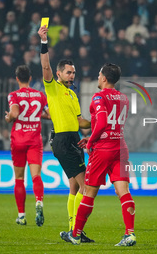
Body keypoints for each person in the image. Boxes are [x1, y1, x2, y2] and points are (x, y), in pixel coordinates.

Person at [60, 63, 136, 246]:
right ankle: (130, 234)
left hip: (102, 149)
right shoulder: (124, 98)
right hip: (120, 147)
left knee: (89, 192)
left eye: (99, 74)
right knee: (123, 192)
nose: (97, 77)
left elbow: (101, 123)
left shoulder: (98, 98)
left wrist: (91, 141)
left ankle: (76, 234)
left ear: (103, 78)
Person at [37, 26, 94, 242]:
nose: (72, 75)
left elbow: (81, 121)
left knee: (74, 185)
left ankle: (73, 229)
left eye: (74, 73)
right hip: (62, 140)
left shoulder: (72, 94)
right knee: (86, 186)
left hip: (75, 139)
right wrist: (43, 41)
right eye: (69, 72)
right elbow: (45, 65)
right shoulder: (53, 87)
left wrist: (100, 121)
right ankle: (75, 231)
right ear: (59, 73)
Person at [5, 65, 50, 226]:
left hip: (18, 140)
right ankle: (39, 201)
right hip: (34, 140)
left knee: (19, 178)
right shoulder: (39, 95)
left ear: (17, 79)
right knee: (36, 176)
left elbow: (15, 113)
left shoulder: (14, 95)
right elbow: (50, 114)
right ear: (30, 78)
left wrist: (9, 117)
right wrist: (37, 115)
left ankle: (22, 215)